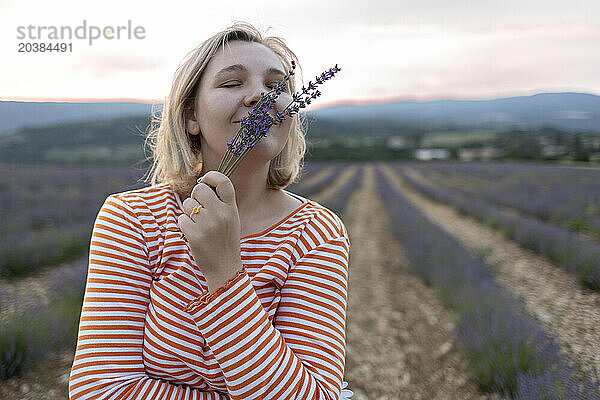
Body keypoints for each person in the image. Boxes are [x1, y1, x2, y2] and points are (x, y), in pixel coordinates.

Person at [69, 22, 352, 399]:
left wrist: (225, 271)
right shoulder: (133, 218)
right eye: (233, 83)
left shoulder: (316, 233)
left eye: (276, 86)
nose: (261, 96)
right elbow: (98, 390)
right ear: (192, 117)